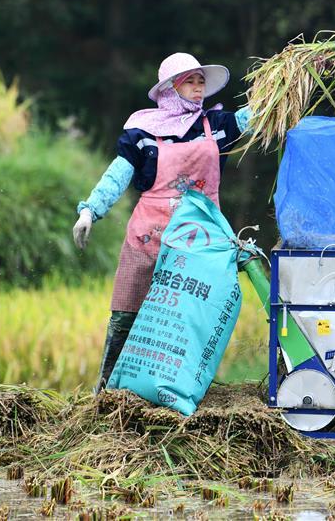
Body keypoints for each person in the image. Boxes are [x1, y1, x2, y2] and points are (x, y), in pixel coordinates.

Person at [72, 52, 253, 393]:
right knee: (127, 312)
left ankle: (179, 389)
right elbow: (118, 174)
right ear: (171, 88)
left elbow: (257, 117)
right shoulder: (142, 133)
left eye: (202, 82)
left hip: (199, 235)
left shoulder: (217, 125)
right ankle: (107, 393)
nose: (199, 89)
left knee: (191, 315)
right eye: (191, 82)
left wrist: (287, 84)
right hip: (149, 234)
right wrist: (90, 210)